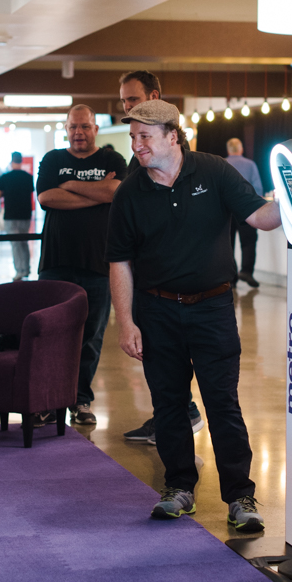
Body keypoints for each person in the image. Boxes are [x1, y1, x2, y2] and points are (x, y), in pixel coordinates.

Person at [107, 100, 282, 529]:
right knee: (168, 406)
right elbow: (119, 261)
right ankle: (179, 487)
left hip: (213, 308)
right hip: (156, 310)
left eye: (144, 137)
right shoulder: (131, 190)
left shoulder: (214, 171)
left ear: (172, 135)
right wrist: (126, 321)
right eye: (132, 137)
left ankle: (241, 498)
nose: (136, 145)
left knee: (223, 404)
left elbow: (260, 216)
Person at [118, 70, 204, 443]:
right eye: (123, 103)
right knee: (155, 357)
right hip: (146, 279)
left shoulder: (194, 166)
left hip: (185, 286)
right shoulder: (138, 165)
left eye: (133, 100)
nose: (128, 108)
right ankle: (166, 417)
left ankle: (184, 412)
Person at [36, 104, 127, 425]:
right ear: (66, 128)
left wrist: (70, 185)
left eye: (85, 127)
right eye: (74, 127)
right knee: (49, 336)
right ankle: (46, 401)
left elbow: (116, 191)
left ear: (95, 129)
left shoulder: (112, 160)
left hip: (98, 265)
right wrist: (96, 191)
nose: (79, 133)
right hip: (55, 263)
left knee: (90, 336)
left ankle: (80, 400)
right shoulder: (52, 160)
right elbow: (46, 199)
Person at [225, 137, 264, 287]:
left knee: (227, 244)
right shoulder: (250, 165)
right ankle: (246, 272)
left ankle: (231, 277)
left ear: (228, 150)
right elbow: (258, 189)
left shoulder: (221, 163)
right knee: (248, 242)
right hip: (246, 210)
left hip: (226, 212)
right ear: (241, 149)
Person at [0, 152, 35, 281]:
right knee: (24, 242)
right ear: (21, 161)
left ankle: (19, 271)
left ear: (11, 161)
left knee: (15, 244)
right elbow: (31, 192)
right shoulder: (28, 177)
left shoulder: (5, 177)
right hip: (25, 213)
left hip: (11, 214)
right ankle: (26, 269)